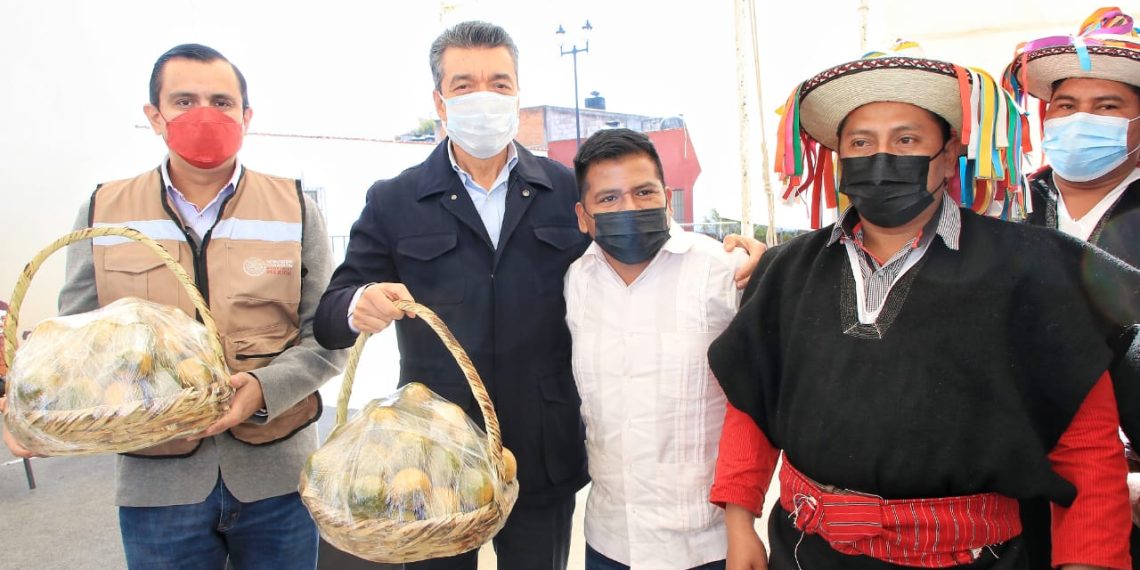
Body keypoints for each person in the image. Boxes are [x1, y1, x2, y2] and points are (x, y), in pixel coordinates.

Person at [313, 20, 764, 570]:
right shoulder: (395, 199)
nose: (484, 96)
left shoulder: (563, 189)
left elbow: (638, 238)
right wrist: (358, 303)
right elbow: (331, 312)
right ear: (439, 99)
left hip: (541, 453)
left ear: (518, 92)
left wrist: (733, 249)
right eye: (464, 84)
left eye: (499, 83)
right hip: (433, 463)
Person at [707, 43, 1139, 569]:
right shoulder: (786, 269)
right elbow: (751, 405)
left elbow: (1087, 448)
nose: (881, 158)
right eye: (861, 142)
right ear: (839, 156)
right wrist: (739, 522)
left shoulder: (1034, 268)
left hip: (973, 558)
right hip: (805, 550)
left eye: (906, 139)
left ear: (950, 149)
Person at [3, 43, 345, 569]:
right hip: (157, 484)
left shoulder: (296, 209)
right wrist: (41, 413)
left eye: (222, 101)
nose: (204, 114)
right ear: (154, 116)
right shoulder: (104, 209)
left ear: (246, 116)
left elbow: (326, 336)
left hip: (277, 474)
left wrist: (261, 388)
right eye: (184, 100)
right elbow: (72, 345)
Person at [566, 129, 744, 570]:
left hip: (706, 544)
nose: (629, 207)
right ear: (583, 216)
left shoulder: (724, 272)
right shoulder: (576, 281)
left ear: (667, 198)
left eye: (643, 192)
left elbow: (758, 401)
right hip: (609, 541)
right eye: (608, 199)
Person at [1004, 6, 1140, 566]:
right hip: (1014, 496)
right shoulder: (1002, 210)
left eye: (1108, 106)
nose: (1081, 119)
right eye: (1065, 106)